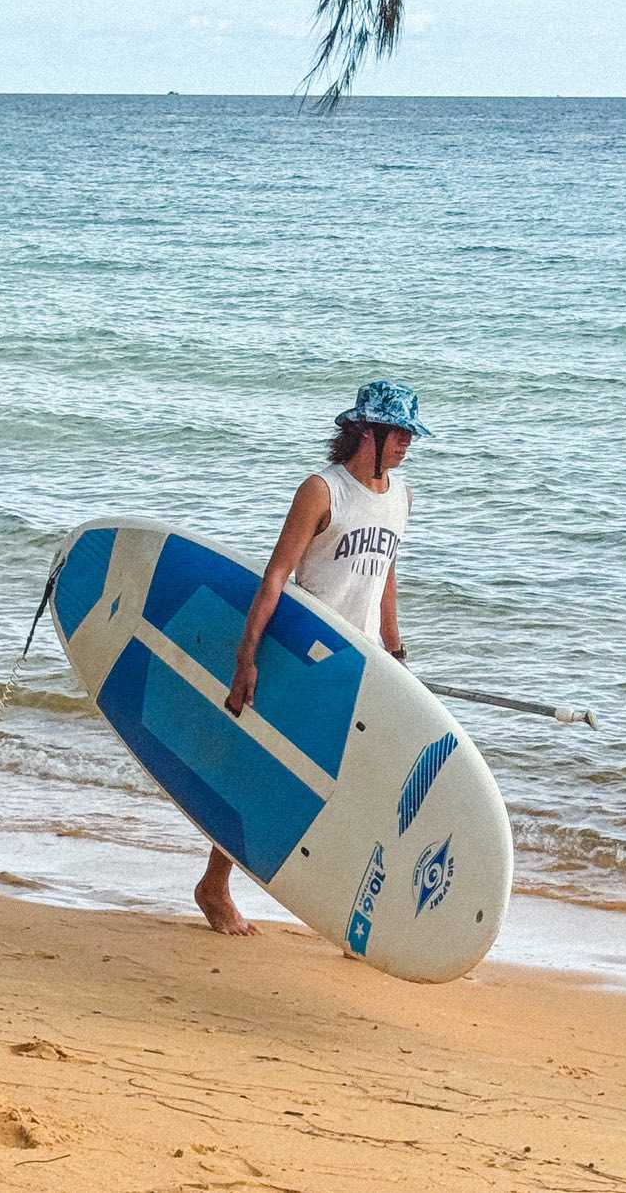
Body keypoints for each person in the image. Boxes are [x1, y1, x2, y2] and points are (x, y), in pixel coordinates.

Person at [194, 379, 432, 936]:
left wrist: (395, 651)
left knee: (363, 782)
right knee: (263, 772)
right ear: (367, 433)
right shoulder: (322, 492)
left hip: (363, 663)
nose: (407, 443)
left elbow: (386, 573)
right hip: (307, 655)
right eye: (399, 432)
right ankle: (214, 885)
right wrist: (246, 659)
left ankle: (352, 908)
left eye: (410, 434)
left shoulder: (401, 495)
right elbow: (277, 575)